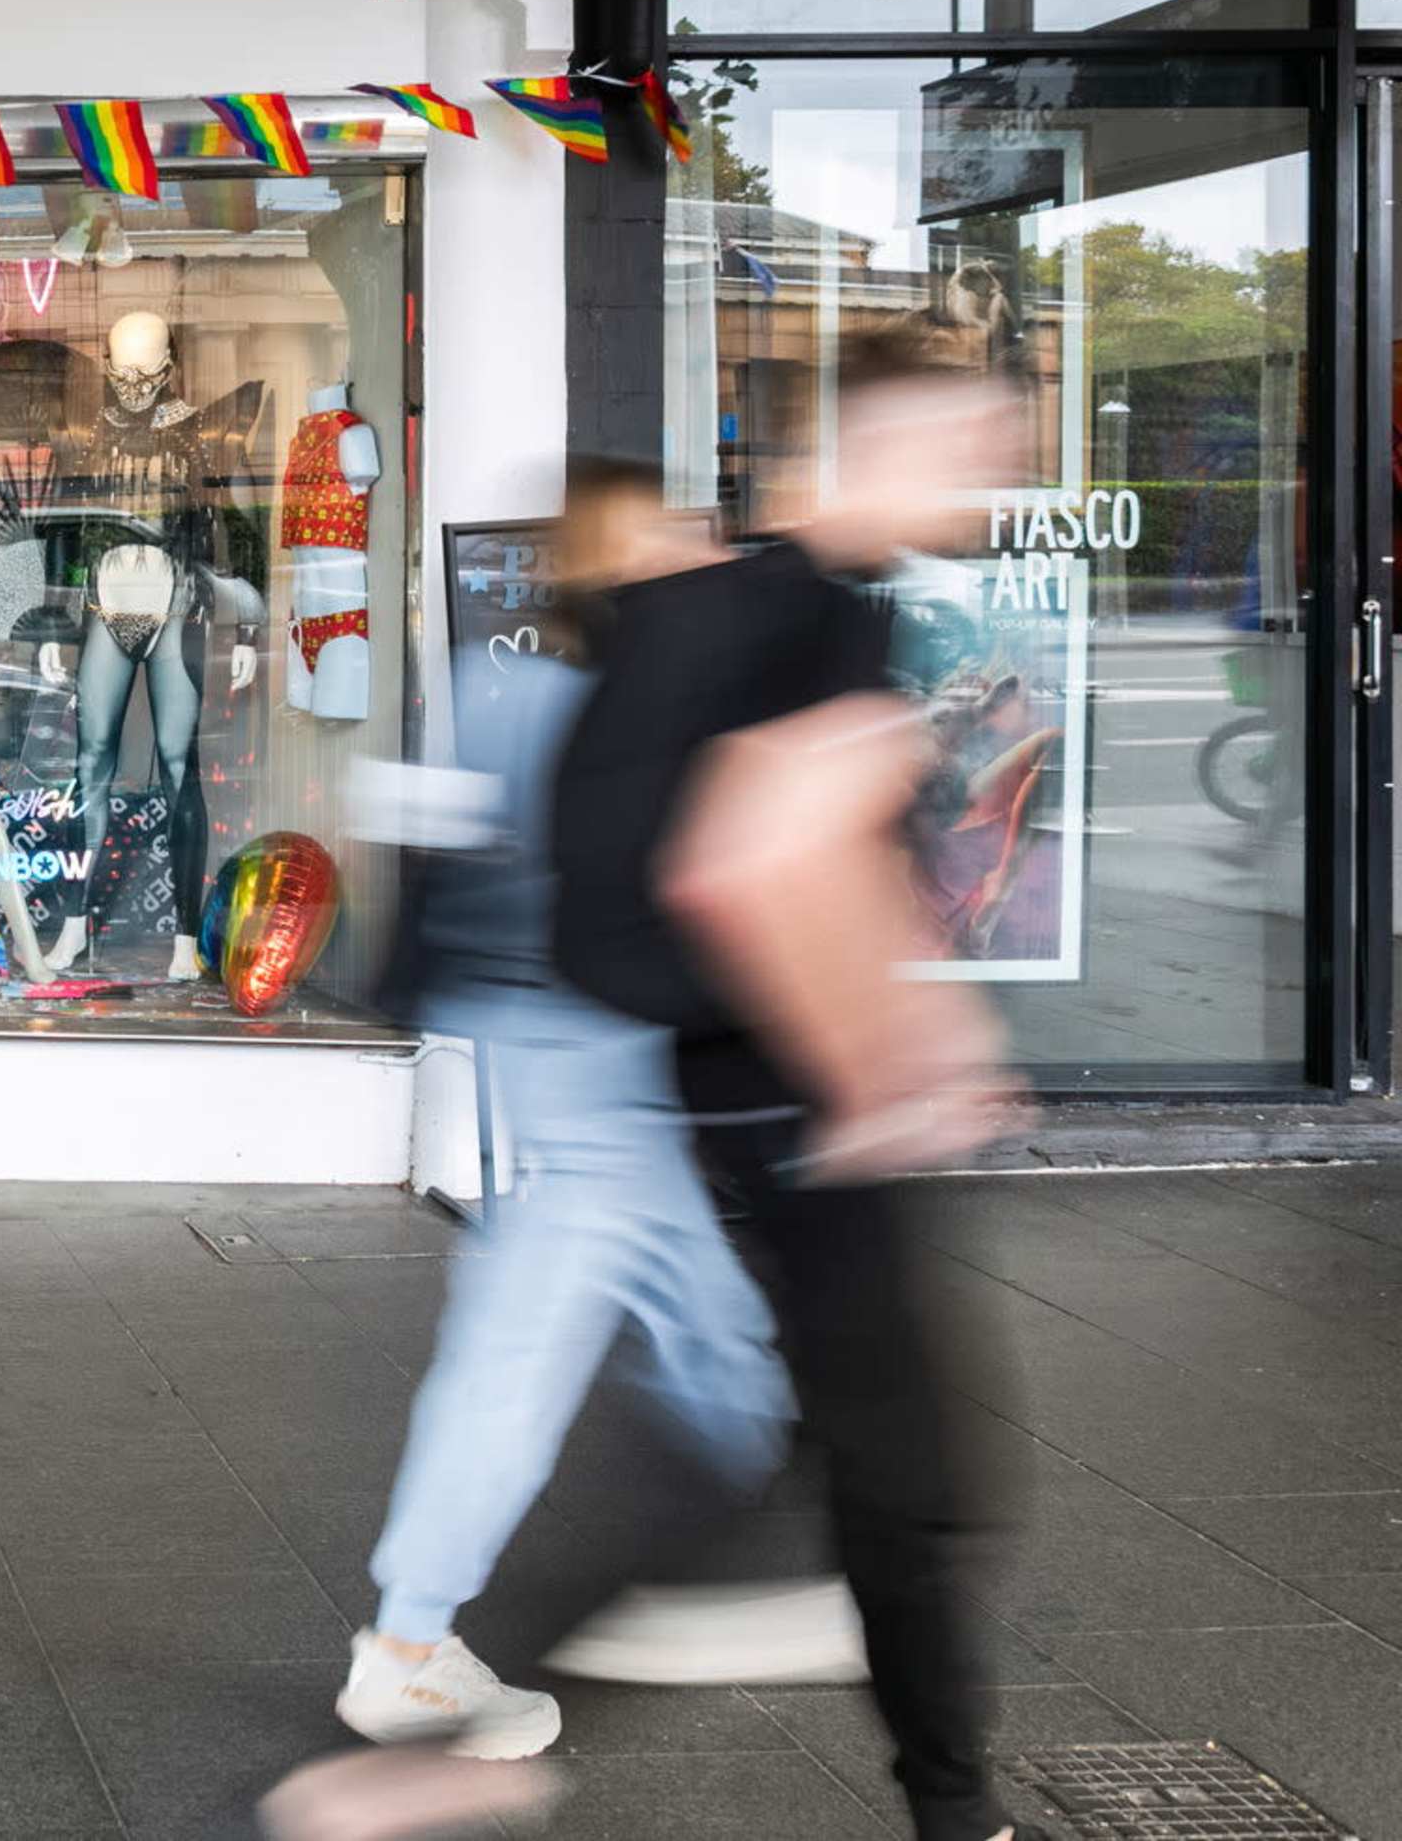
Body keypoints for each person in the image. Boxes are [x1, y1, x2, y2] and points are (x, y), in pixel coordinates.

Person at [268, 324, 1031, 1841]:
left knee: (731, 1380)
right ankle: (433, 1671)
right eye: (974, 441)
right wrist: (886, 1059)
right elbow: (741, 854)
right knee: (661, 1366)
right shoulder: (780, 617)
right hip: (664, 1076)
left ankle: (804, 1657)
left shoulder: (654, 634)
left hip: (633, 1066)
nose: (992, 473)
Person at [330, 459, 842, 1765]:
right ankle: (408, 1641)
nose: (699, 544)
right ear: (621, 546)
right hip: (582, 1060)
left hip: (562, 1053)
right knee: (529, 1334)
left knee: (706, 1312)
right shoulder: (614, 691)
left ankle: (765, 1562)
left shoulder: (505, 682)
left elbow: (428, 836)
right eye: (673, 526)